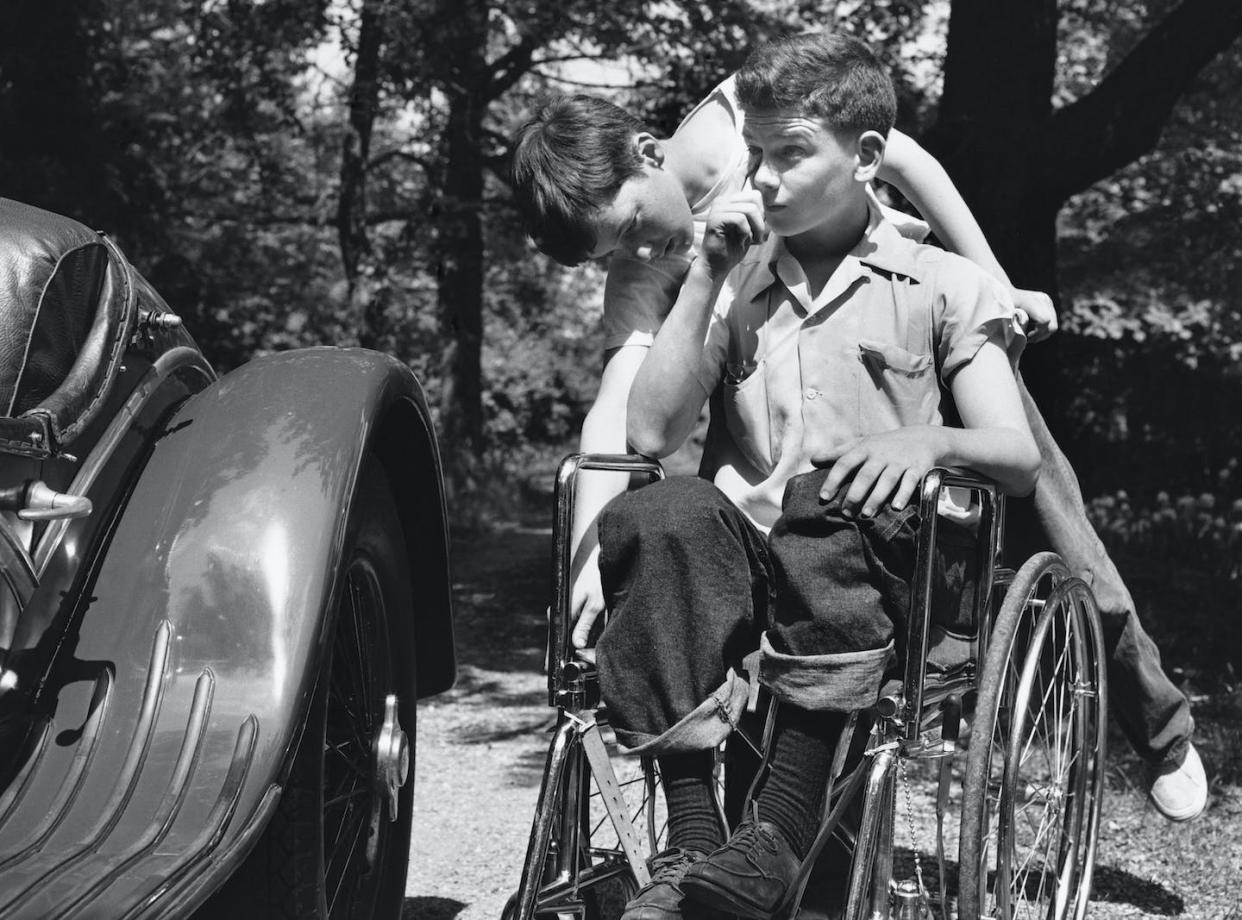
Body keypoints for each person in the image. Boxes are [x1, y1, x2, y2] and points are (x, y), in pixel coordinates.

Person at [510, 46, 1205, 831]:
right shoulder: (649, 275)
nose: (640, 253)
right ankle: (758, 814)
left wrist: (996, 284)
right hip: (758, 364)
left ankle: (1160, 725)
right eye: (614, 253)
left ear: (648, 155)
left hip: (891, 320)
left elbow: (904, 159)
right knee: (710, 533)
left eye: (635, 224)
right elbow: (620, 413)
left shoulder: (735, 128)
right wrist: (590, 556)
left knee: (1051, 509)